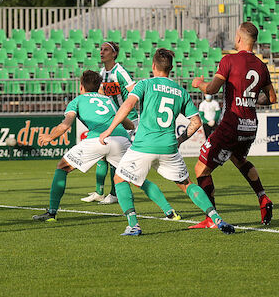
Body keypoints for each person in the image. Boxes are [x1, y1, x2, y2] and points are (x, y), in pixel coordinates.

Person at [99, 48, 235, 236]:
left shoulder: (145, 84)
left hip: (144, 145)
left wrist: (108, 130)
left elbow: (127, 105)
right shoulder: (180, 91)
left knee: (120, 179)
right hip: (169, 147)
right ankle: (215, 217)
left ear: (153, 66)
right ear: (170, 68)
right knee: (187, 184)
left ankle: (133, 225)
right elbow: (196, 122)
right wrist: (180, 140)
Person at [32, 71, 181, 222]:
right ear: (98, 86)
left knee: (62, 167)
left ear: (81, 86)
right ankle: (170, 212)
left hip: (98, 139)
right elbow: (126, 122)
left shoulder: (77, 100)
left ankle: (51, 213)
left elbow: (65, 126)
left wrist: (50, 136)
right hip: (121, 139)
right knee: (136, 178)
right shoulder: (108, 100)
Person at [190, 22, 277, 228]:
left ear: (239, 39)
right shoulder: (261, 66)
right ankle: (263, 197)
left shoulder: (229, 60)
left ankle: (211, 218)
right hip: (250, 125)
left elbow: (211, 89)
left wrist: (198, 84)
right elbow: (272, 97)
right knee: (239, 159)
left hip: (232, 123)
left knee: (201, 169)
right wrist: (252, 101)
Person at [82, 41, 139, 205]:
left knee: (115, 155)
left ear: (114, 54)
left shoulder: (120, 72)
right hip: (114, 120)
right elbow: (101, 94)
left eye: (106, 50)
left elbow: (134, 92)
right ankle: (99, 192)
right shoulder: (102, 73)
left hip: (128, 121)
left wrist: (125, 112)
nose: (101, 52)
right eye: (100, 49)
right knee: (102, 155)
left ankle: (114, 194)